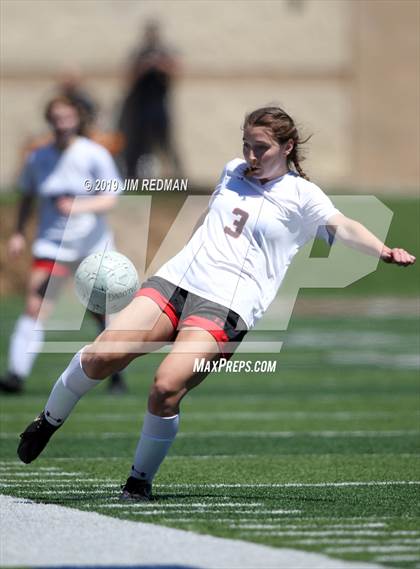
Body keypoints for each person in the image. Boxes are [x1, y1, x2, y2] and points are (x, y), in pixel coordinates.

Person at [16, 106, 415, 500]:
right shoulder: (232, 171)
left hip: (227, 306)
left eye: (261, 148)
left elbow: (343, 226)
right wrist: (184, 255)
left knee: (165, 386)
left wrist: (381, 249)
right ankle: (48, 421)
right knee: (104, 354)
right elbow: (208, 217)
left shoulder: (303, 196)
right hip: (176, 281)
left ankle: (138, 481)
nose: (251, 156)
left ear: (288, 147)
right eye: (246, 146)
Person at [0, 96, 127, 395]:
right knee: (35, 306)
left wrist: (78, 207)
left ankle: (116, 374)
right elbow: (27, 197)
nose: (61, 124)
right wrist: (18, 233)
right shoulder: (38, 157)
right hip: (52, 246)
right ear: (49, 120)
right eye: (56, 118)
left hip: (91, 246)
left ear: (77, 119)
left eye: (67, 117)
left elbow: (111, 197)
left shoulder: (94, 154)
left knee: (101, 311)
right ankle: (16, 375)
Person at [118, 20, 182, 178]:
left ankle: (177, 177)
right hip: (140, 106)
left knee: (165, 143)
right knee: (137, 143)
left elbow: (175, 71)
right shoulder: (139, 53)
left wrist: (159, 64)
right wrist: (144, 66)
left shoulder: (164, 52)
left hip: (159, 104)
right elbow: (129, 76)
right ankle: (133, 176)